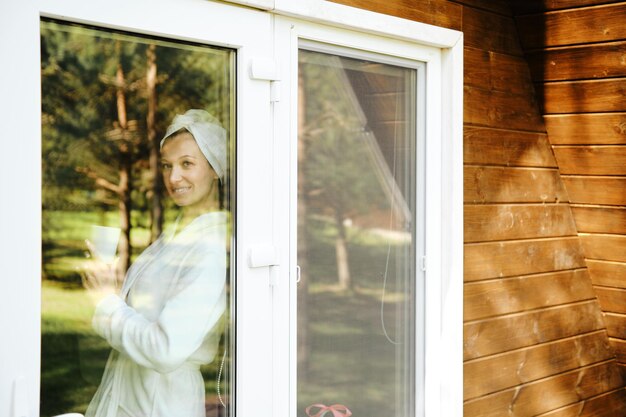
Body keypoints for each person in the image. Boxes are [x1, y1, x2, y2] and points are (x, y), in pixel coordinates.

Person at [82, 109, 229, 417]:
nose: (173, 178)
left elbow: (165, 350)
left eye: (187, 164)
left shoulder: (208, 251)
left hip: (162, 404)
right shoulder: (175, 238)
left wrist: (107, 304)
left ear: (214, 168)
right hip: (133, 394)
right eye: (167, 165)